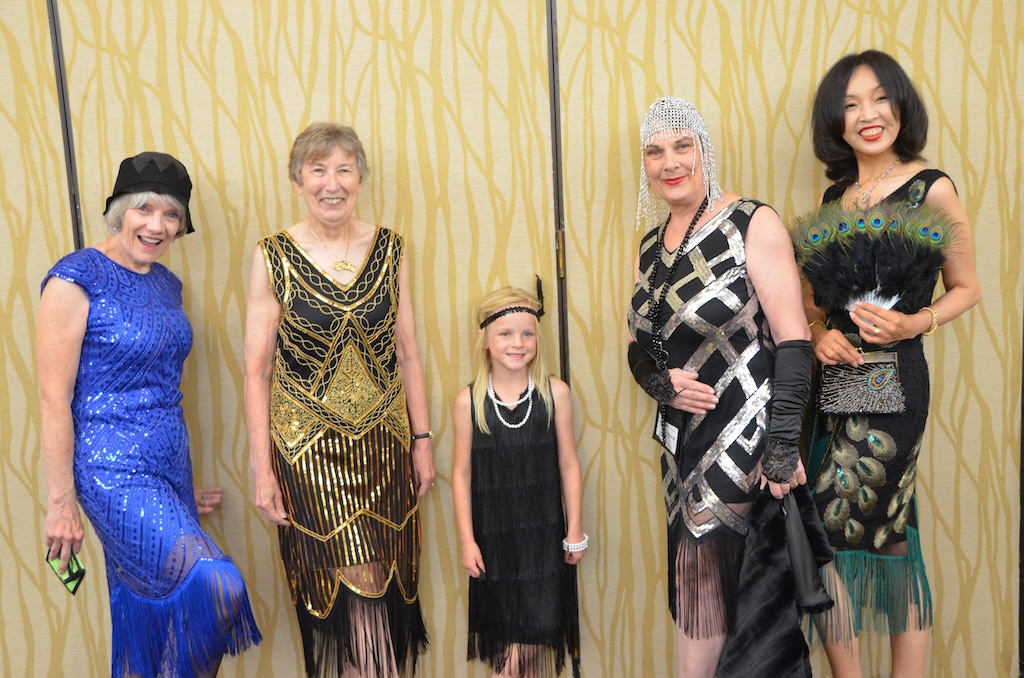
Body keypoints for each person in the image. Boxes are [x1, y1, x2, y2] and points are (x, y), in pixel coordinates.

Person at [39, 152, 262, 677]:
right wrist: (61, 502)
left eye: (171, 215)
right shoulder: (76, 277)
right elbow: (53, 398)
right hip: (111, 470)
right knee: (217, 586)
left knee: (151, 620)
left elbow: (160, 384)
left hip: (168, 468)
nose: (156, 225)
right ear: (120, 212)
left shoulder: (166, 284)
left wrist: (174, 494)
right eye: (144, 209)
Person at [626, 97, 825, 678]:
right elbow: (638, 343)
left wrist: (783, 445)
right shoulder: (650, 246)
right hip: (679, 442)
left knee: (706, 585)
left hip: (746, 432)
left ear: (704, 150)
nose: (669, 162)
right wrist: (658, 382)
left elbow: (794, 340)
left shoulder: (751, 223)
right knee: (701, 591)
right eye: (654, 151)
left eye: (681, 146)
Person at [797, 50, 981, 677]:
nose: (867, 114)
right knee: (876, 533)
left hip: (898, 381)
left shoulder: (933, 188)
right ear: (836, 122)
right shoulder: (833, 197)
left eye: (879, 98)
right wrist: (818, 332)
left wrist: (914, 322)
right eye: (850, 105)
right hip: (838, 383)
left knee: (852, 529)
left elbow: (967, 287)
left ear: (901, 105)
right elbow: (811, 301)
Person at [244, 122, 434, 677]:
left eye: (344, 170)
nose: (332, 183)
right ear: (298, 181)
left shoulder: (391, 248)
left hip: (384, 446)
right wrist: (262, 469)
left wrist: (422, 440)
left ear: (361, 179)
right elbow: (256, 371)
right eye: (318, 170)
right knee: (344, 589)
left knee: (381, 587)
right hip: (308, 453)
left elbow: (408, 353)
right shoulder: (272, 256)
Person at [452, 286, 585, 678]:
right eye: (506, 334)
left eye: (527, 333)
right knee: (512, 645)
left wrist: (575, 530)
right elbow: (461, 475)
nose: (518, 343)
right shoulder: (469, 402)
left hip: (544, 541)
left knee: (533, 640)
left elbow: (568, 464)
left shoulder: (555, 394)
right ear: (485, 340)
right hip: (494, 542)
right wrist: (467, 540)